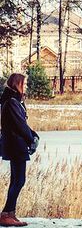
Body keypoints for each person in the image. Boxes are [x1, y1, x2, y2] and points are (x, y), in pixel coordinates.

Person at [0, 74, 37, 228]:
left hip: (14, 144)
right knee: (19, 180)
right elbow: (20, 125)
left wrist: (34, 135)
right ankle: (6, 214)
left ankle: (9, 213)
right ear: (17, 84)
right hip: (15, 144)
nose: (26, 85)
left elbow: (21, 124)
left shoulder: (13, 100)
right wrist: (31, 139)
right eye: (25, 83)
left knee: (16, 180)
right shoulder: (12, 102)